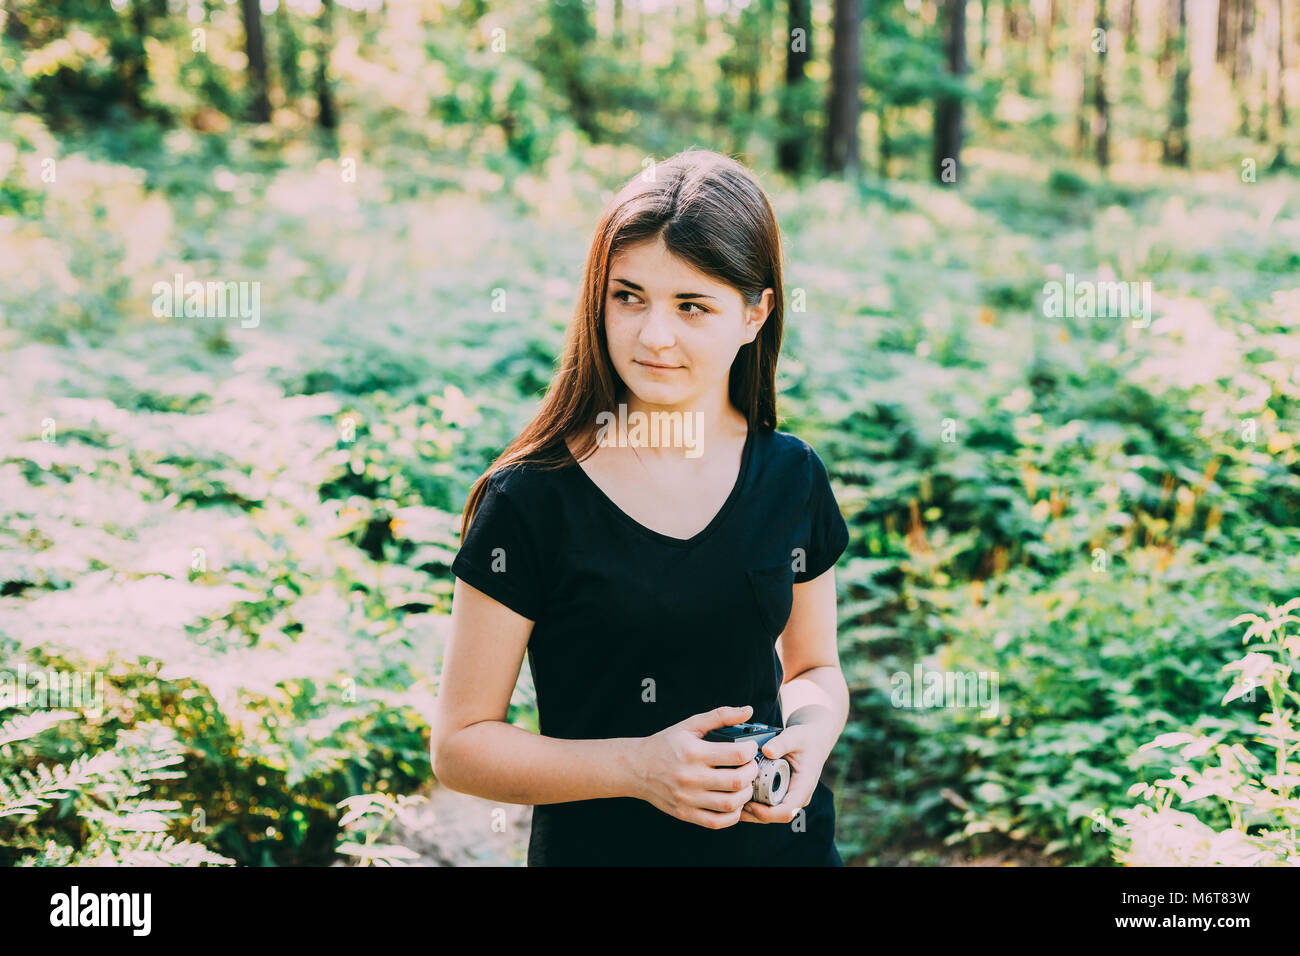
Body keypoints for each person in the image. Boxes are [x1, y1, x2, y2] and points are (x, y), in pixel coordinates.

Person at [431, 148, 851, 866]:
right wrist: (635, 768)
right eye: (629, 297)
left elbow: (814, 669)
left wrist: (807, 740)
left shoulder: (791, 475)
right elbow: (461, 745)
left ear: (755, 314)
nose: (654, 335)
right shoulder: (533, 498)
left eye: (692, 306)